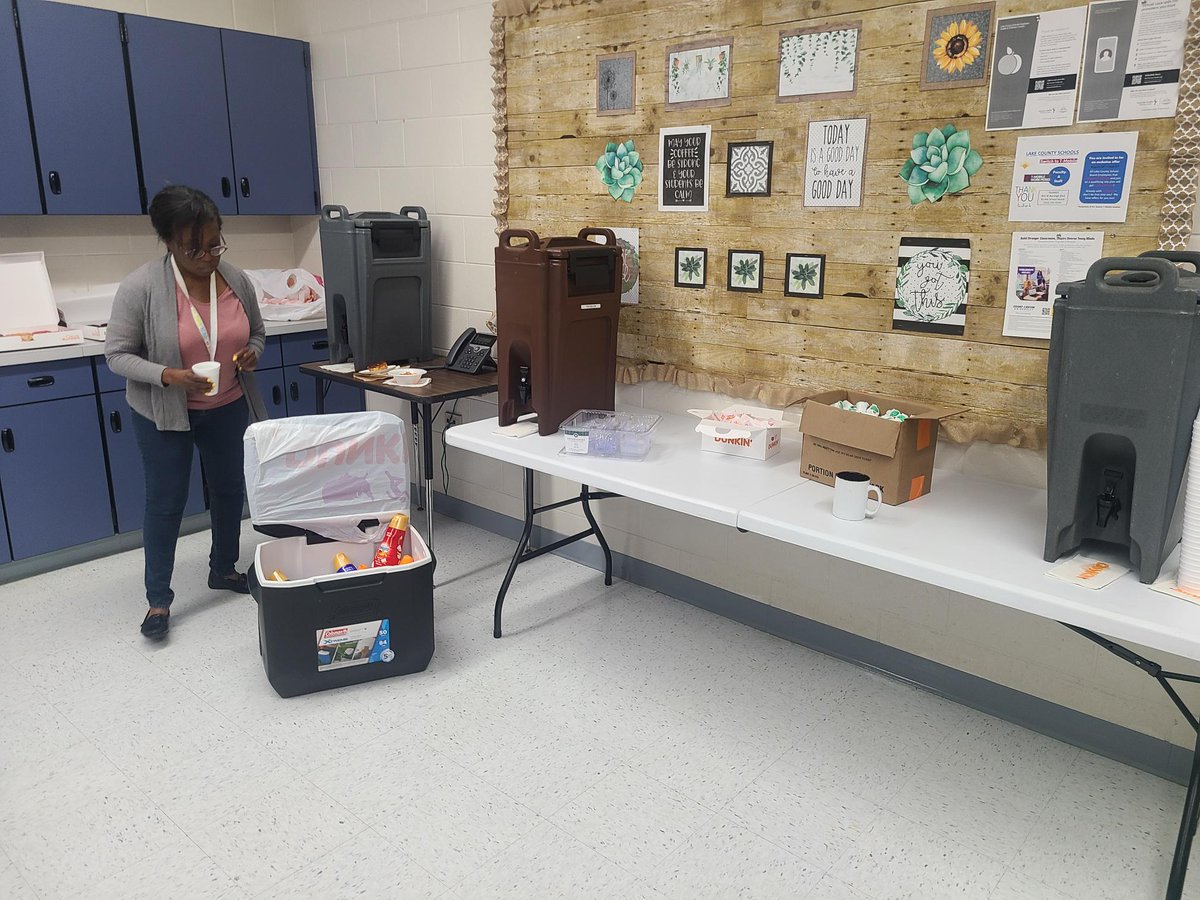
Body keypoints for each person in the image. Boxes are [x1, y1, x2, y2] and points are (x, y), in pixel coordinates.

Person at [106, 185, 266, 639]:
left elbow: (257, 333)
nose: (207, 256)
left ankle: (223, 568)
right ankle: (158, 601)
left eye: (215, 244)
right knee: (166, 502)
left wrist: (252, 353)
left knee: (229, 489)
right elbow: (116, 355)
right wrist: (168, 375)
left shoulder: (235, 279)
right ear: (169, 242)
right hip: (165, 413)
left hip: (228, 404)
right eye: (194, 248)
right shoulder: (141, 287)